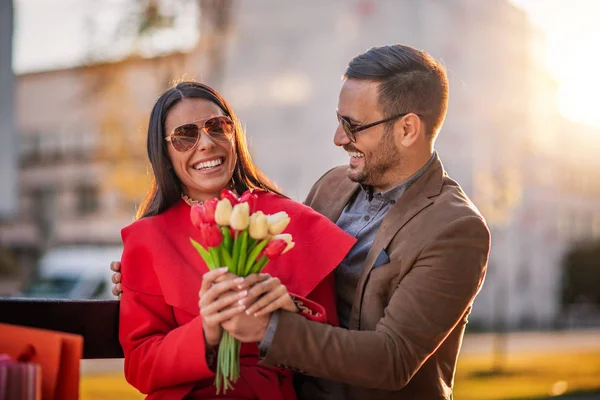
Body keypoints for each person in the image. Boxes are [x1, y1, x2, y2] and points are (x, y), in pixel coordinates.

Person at [113, 44, 491, 400]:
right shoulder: (332, 187)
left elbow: (392, 358)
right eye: (183, 136)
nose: (338, 138)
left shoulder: (453, 228)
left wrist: (271, 325)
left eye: (353, 125)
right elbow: (300, 273)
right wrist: (144, 275)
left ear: (407, 129)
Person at [117, 81, 355, 400]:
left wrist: (287, 313)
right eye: (185, 136)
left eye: (218, 127)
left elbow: (331, 346)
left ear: (234, 134)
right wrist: (206, 333)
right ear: (164, 152)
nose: (205, 143)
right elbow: (140, 365)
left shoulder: (291, 220)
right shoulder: (147, 238)